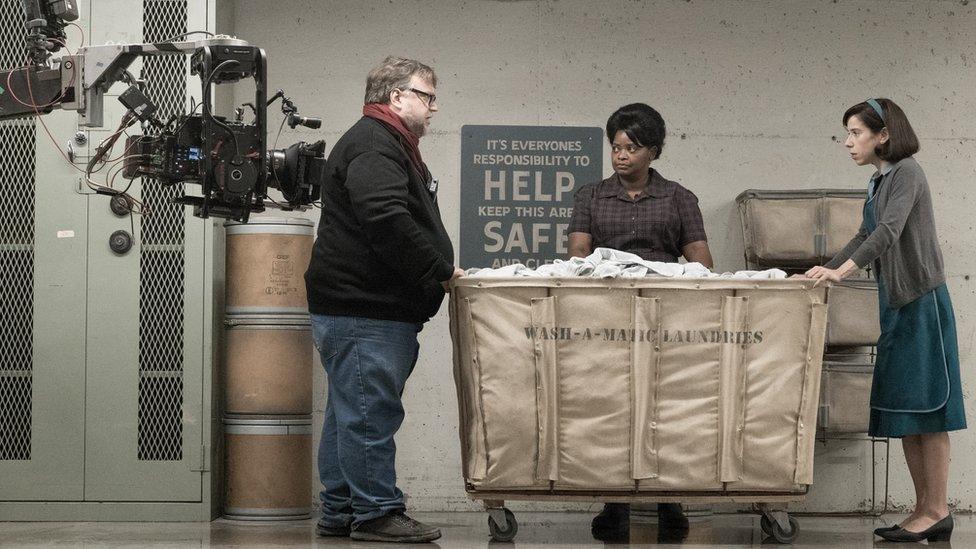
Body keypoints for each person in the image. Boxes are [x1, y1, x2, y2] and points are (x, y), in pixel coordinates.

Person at [304, 56, 463, 543]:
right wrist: (440, 272)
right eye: (427, 96)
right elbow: (386, 218)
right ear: (396, 96)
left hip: (357, 308)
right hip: (364, 309)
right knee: (370, 412)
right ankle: (375, 512)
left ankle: (341, 509)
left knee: (348, 412)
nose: (433, 108)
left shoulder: (384, 143)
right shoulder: (376, 144)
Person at [804, 98, 965, 543]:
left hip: (922, 303)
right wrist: (821, 273)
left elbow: (888, 232)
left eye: (855, 133)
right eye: (848, 134)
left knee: (929, 410)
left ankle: (936, 509)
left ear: (883, 134)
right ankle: (926, 509)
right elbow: (863, 235)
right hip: (897, 304)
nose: (847, 142)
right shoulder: (880, 180)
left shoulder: (907, 171)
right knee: (906, 412)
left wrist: (842, 271)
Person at [566, 103, 712, 538]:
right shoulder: (590, 196)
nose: (621, 155)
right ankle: (616, 503)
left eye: (632, 147)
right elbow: (576, 257)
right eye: (616, 147)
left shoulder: (679, 198)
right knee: (612, 406)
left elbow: (702, 264)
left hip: (667, 318)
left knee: (666, 406)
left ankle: (670, 501)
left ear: (654, 151)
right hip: (606, 317)